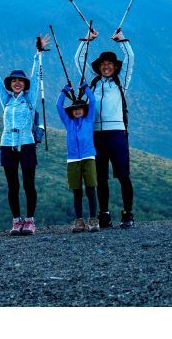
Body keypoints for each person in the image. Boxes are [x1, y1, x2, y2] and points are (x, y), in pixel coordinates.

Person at [0, 35, 51, 236]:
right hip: (7, 143)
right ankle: (17, 221)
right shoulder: (5, 99)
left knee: (28, 184)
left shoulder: (30, 98)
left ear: (25, 84)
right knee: (13, 185)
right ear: (11, 84)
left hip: (27, 142)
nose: (17, 84)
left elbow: (36, 77)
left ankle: (30, 221)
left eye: (20, 81)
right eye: (14, 81)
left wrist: (38, 54)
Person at [74, 29, 135, 229]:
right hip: (96, 135)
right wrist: (87, 40)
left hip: (117, 133)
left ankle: (127, 213)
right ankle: (104, 214)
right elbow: (78, 59)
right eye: (103, 64)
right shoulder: (91, 83)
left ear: (115, 67)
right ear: (99, 67)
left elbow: (130, 58)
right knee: (100, 177)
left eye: (110, 64)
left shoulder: (121, 82)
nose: (106, 67)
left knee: (123, 175)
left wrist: (122, 40)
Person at [56, 83, 99, 233]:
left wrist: (85, 88)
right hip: (73, 160)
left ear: (84, 110)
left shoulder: (89, 120)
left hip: (88, 158)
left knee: (91, 189)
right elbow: (58, 105)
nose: (78, 110)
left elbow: (92, 101)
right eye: (75, 109)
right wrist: (65, 90)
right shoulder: (68, 123)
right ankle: (79, 221)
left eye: (80, 108)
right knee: (77, 191)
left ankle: (93, 219)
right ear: (72, 112)